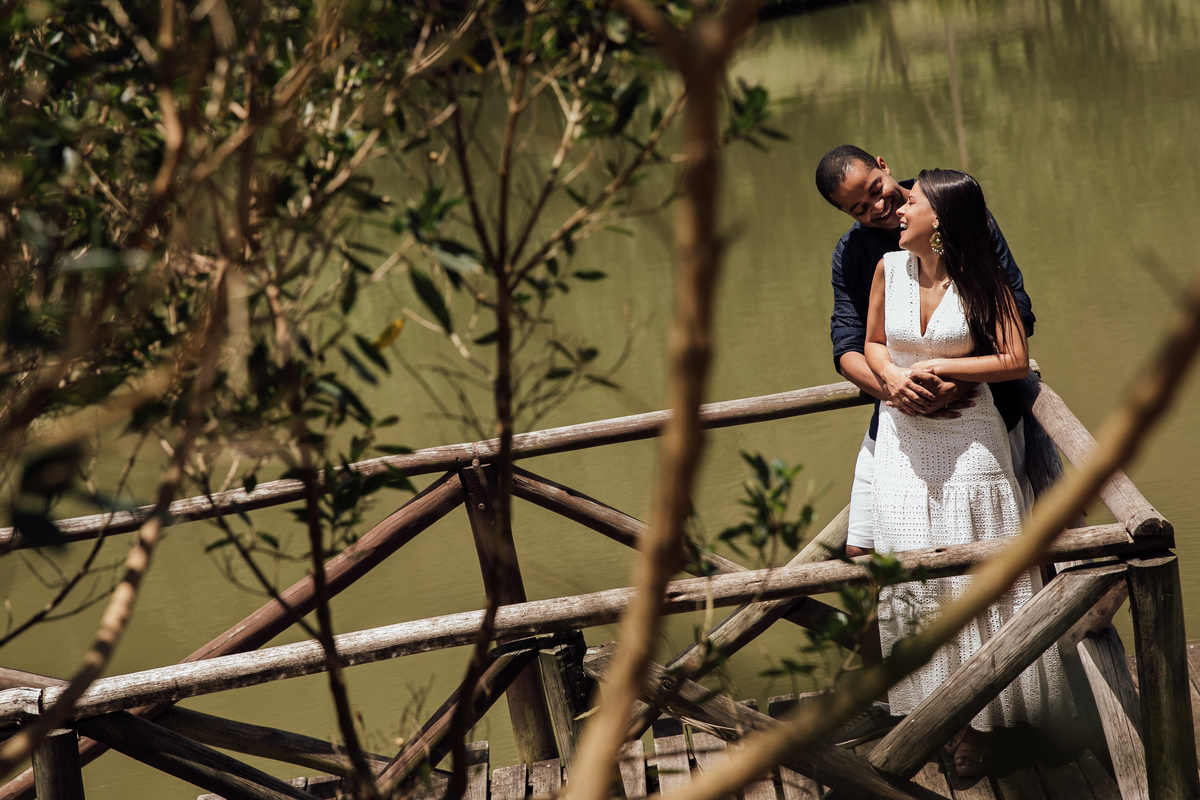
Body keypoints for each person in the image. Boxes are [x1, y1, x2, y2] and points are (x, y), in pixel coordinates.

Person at [863, 168, 1068, 778]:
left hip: (969, 440)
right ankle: (937, 712)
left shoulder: (982, 279)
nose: (898, 210)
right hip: (903, 440)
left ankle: (986, 720)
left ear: (943, 220)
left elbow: (1014, 359)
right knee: (914, 574)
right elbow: (872, 342)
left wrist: (947, 372)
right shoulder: (886, 270)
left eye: (912, 203)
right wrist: (895, 378)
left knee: (982, 572)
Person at [814, 145, 1034, 560]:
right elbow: (849, 345)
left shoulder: (952, 205)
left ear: (883, 165)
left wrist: (956, 378)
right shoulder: (858, 256)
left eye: (878, 189)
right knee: (865, 548)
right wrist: (895, 388)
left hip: (986, 410)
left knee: (990, 541)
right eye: (859, 209)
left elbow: (1016, 316)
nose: (881, 208)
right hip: (899, 415)